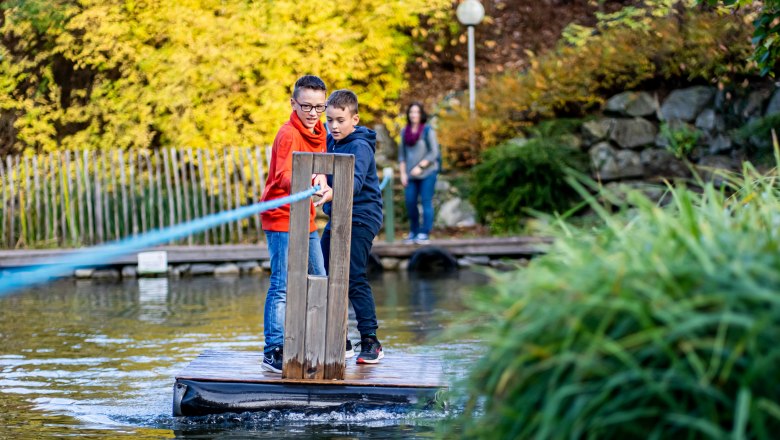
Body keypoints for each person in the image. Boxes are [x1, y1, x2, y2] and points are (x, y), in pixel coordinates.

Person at [260, 75, 332, 374]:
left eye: (320, 107)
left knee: (319, 275)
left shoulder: (322, 132)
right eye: (306, 106)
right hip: (281, 217)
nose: (313, 112)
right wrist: (310, 181)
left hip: (307, 218)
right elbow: (282, 177)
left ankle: (323, 339)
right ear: (294, 104)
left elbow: (324, 170)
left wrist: (324, 184)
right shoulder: (288, 133)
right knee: (283, 283)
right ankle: (273, 348)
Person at [316, 89, 385, 364]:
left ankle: (371, 341)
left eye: (340, 120)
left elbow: (354, 182)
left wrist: (332, 192)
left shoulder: (359, 145)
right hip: (339, 215)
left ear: (354, 119)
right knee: (321, 272)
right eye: (330, 120)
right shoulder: (330, 138)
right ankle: (339, 339)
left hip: (363, 214)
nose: (334, 126)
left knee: (353, 276)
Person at [398, 102, 440, 244]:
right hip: (410, 175)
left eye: (416, 112)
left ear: (421, 114)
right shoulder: (405, 131)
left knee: (426, 202)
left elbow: (434, 152)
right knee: (410, 202)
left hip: (427, 173)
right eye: (411, 112)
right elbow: (402, 155)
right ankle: (414, 232)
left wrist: (420, 167)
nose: (414, 115)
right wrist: (403, 174)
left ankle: (424, 233)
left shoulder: (428, 130)